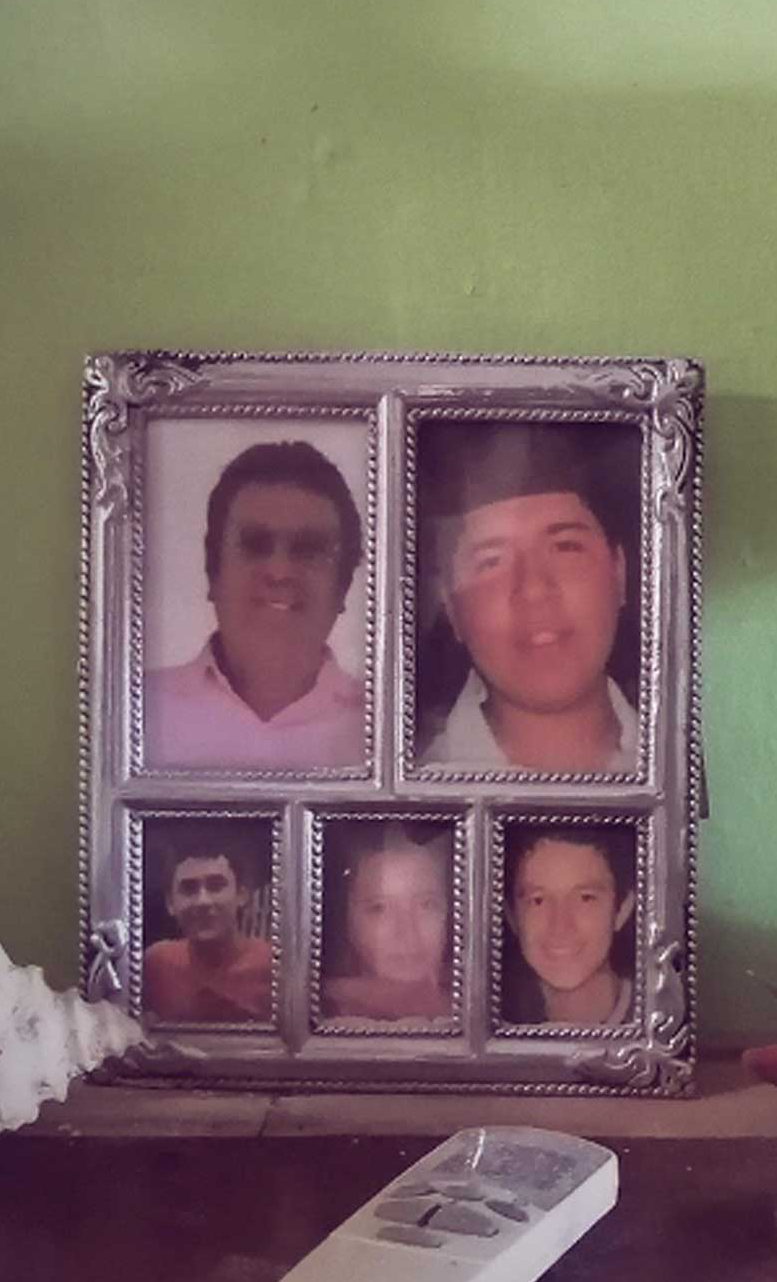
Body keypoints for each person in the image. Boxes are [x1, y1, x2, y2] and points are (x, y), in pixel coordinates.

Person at [417, 424, 639, 772]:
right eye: (491, 562)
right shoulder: (411, 809)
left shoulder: (670, 766)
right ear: (452, 608)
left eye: (565, 547)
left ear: (619, 572)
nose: (534, 589)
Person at [145, 440, 365, 769]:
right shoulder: (137, 709)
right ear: (211, 569)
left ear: (344, 585)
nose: (279, 572)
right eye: (255, 545)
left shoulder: (385, 727)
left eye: (308, 550)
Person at [501, 828, 636, 1026]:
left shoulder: (656, 1020)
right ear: (512, 915)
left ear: (623, 907)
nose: (560, 927)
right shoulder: (494, 1025)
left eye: (585, 899)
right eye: (538, 901)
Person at [322, 821, 454, 1022]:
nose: (407, 932)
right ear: (348, 921)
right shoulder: (317, 1023)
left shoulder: (485, 1015)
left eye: (427, 904)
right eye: (379, 908)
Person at [141, 831, 273, 1024]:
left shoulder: (273, 966)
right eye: (189, 888)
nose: (203, 901)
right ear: (170, 903)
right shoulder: (156, 965)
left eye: (216, 886)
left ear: (241, 895)